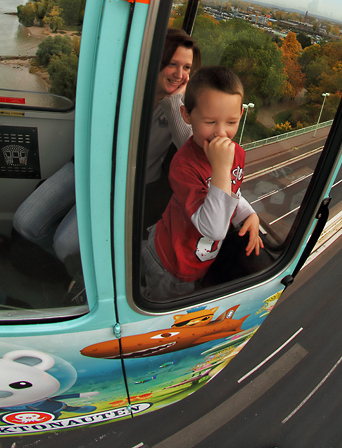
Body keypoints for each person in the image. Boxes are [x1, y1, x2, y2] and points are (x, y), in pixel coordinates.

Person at [13, 28, 201, 286]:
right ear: (156, 61)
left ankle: (72, 270)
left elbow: (188, 146)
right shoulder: (126, 87)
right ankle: (75, 267)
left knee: (64, 246)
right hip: (88, 168)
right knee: (24, 223)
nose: (180, 74)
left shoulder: (181, 107)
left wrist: (174, 102)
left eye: (187, 67)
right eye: (172, 64)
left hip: (123, 188)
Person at [143, 65, 263, 302]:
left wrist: (248, 213)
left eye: (230, 122)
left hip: (195, 256)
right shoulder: (183, 166)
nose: (221, 133)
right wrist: (220, 168)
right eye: (210, 122)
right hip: (172, 264)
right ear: (187, 115)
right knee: (161, 310)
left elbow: (232, 192)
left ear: (240, 114)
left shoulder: (235, 153)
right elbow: (214, 229)